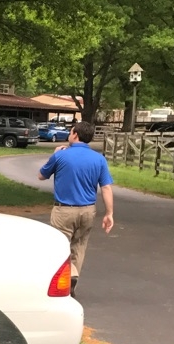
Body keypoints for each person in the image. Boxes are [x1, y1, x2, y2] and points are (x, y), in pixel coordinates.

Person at [37, 121, 113, 297]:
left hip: (64, 210)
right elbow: (106, 187)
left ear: (76, 134)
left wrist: (53, 155)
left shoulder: (61, 156)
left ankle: (62, 285)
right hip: (87, 210)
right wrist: (109, 213)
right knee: (79, 245)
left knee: (60, 246)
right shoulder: (99, 159)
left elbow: (41, 175)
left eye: (70, 132)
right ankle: (73, 282)